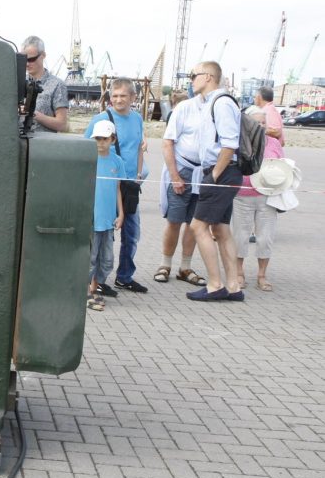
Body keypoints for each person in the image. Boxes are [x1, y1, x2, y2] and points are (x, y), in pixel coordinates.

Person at [185, 62, 245, 302]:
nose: (191, 80)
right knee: (220, 228)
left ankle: (215, 284)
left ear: (208, 77)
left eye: (193, 76)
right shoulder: (216, 102)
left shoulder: (220, 103)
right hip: (225, 171)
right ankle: (232, 286)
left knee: (197, 227)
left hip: (222, 171)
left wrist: (215, 175)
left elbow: (230, 143)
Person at [84, 78, 148, 294]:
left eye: (123, 95)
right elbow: (84, 148)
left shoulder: (137, 118)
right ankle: (95, 282)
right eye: (115, 96)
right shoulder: (101, 119)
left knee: (132, 233)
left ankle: (124, 276)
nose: (119, 99)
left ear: (133, 98)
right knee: (103, 238)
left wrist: (138, 174)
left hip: (129, 184)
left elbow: (139, 146)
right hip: (108, 185)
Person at [153, 93, 206, 287]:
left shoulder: (215, 107)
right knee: (174, 221)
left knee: (193, 223)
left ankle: (185, 267)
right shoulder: (183, 108)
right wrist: (175, 176)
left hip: (203, 173)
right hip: (182, 170)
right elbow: (167, 143)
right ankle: (164, 264)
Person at [232, 108, 285, 293]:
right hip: (242, 196)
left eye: (264, 122)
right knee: (240, 237)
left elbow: (283, 166)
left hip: (267, 197)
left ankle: (262, 276)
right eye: (257, 122)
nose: (261, 126)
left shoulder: (274, 143)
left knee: (265, 238)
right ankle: (239, 273)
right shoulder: (239, 143)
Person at [87, 120, 125, 311]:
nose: (100, 142)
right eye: (97, 139)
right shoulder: (88, 158)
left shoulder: (117, 161)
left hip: (108, 219)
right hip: (92, 219)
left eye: (104, 139)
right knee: (91, 257)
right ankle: (88, 291)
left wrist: (121, 213)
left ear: (113, 139)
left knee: (107, 259)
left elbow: (118, 188)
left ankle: (96, 285)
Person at [21, 35, 68, 133]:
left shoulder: (57, 85)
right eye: (24, 60)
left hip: (43, 145)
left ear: (43, 55)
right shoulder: (17, 82)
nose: (27, 64)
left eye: (31, 59)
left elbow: (61, 124)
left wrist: (33, 114)